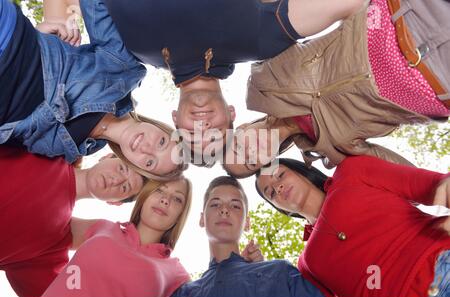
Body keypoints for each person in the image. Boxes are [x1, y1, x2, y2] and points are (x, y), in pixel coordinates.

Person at [102, 0, 366, 162]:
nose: (202, 125)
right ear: (231, 114)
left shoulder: (130, 53)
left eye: (192, 134)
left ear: (175, 120)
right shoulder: (261, 41)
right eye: (215, 133)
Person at [224, 0, 450, 177]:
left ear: (241, 128)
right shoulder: (331, 151)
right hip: (438, 83)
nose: (250, 151)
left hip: (401, 18)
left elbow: (290, 14)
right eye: (251, 162)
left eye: (237, 147)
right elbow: (401, 173)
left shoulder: (262, 78)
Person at [0, 0, 185, 180]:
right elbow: (97, 5)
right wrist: (38, 37)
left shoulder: (69, 154)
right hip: (10, 44)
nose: (147, 149)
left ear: (135, 165)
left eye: (149, 163)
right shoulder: (123, 70)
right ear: (160, 127)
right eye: (161, 142)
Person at [255, 156, 450, 297]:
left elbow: (433, 184)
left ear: (301, 170)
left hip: (440, 263)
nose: (278, 187)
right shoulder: (307, 264)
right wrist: (254, 271)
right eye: (270, 193)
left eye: (279, 175)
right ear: (281, 209)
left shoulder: (351, 172)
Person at [0, 145, 145, 297]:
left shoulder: (55, 243)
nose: (116, 180)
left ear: (115, 202)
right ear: (107, 157)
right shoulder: (47, 147)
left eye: (125, 187)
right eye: (122, 169)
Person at [170, 176, 326, 297]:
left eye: (235, 206)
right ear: (202, 219)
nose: (224, 210)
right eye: (215, 204)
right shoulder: (184, 295)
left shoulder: (280, 273)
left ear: (247, 222)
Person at [40, 178, 193, 297]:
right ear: (144, 196)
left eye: (177, 199)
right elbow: (43, 223)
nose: (166, 200)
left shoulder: (176, 274)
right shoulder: (103, 228)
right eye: (159, 190)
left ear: (181, 215)